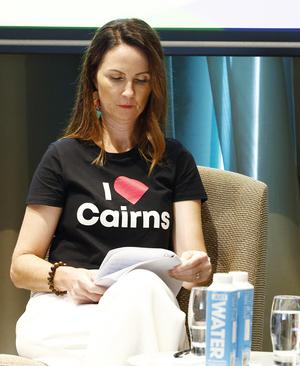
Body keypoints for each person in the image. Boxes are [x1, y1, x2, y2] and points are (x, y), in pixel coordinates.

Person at [9, 18, 211, 366]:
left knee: (140, 288)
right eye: (116, 78)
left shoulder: (174, 159)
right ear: (93, 83)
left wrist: (197, 269)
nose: (129, 92)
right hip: (68, 313)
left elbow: (196, 266)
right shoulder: (63, 156)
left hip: (145, 308)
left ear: (154, 88)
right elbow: (20, 266)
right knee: (145, 338)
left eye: (141, 81)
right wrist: (67, 277)